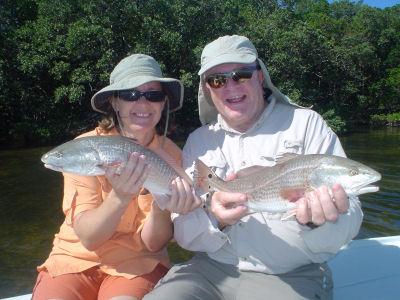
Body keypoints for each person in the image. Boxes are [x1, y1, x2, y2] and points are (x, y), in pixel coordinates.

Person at [144, 35, 363, 300]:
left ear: (260, 77)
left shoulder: (307, 124)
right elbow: (186, 235)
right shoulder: (198, 142)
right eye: (217, 80)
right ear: (207, 90)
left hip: (290, 275)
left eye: (241, 74)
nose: (230, 86)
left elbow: (349, 222)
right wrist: (218, 221)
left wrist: (319, 222)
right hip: (209, 270)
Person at [32, 54, 201, 300]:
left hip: (138, 264)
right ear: (115, 102)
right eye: (130, 94)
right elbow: (89, 239)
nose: (142, 103)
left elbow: (153, 245)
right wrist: (120, 196)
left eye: (153, 95)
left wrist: (162, 204)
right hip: (74, 258)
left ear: (163, 103)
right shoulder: (86, 147)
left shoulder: (174, 158)